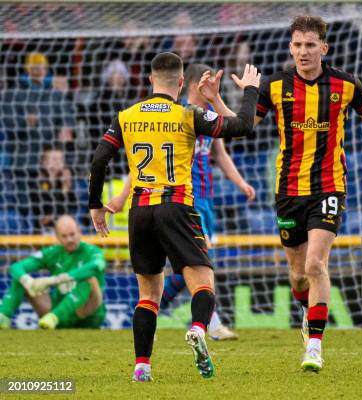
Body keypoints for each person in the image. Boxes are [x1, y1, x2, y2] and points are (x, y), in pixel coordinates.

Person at [88, 52, 259, 381]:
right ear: (181, 83)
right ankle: (197, 328)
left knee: (148, 295)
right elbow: (243, 126)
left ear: (150, 80)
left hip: (140, 211)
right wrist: (250, 90)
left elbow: (99, 161)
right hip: (177, 205)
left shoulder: (126, 116)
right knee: (202, 281)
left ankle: (141, 366)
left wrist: (96, 203)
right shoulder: (188, 114)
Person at [255, 15, 362, 372]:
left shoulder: (345, 85)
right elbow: (241, 126)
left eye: (310, 45)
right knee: (298, 274)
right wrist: (220, 101)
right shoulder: (273, 86)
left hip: (329, 186)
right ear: (290, 47)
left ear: (324, 48)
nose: (303, 51)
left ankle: (314, 346)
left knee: (316, 263)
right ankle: (306, 313)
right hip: (287, 190)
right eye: (298, 45)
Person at [0, 215, 106, 330]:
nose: (70, 239)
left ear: (79, 231)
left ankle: (55, 317)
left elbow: (97, 266)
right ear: (57, 237)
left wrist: (55, 280)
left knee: (90, 279)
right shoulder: (53, 252)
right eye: (64, 236)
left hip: (87, 314)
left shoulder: (92, 251)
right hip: (56, 312)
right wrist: (28, 281)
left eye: (72, 234)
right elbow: (16, 267)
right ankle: (3, 316)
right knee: (21, 279)